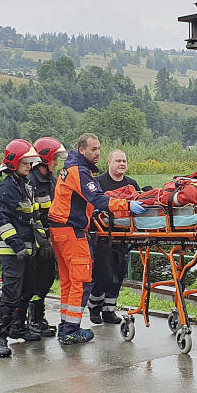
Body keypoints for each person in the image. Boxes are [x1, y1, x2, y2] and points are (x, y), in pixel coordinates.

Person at [48, 133, 145, 345]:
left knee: (69, 282)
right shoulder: (79, 172)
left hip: (61, 231)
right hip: (72, 231)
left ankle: (66, 327)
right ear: (81, 150)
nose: (98, 153)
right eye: (93, 149)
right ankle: (70, 330)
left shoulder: (72, 169)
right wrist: (126, 205)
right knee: (81, 281)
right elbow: (98, 199)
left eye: (99, 148)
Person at [0, 139, 43, 357]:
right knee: (10, 295)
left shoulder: (24, 185)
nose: (30, 167)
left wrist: (41, 242)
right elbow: (0, 220)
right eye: (25, 163)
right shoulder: (7, 188)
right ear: (13, 163)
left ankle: (17, 328)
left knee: (27, 291)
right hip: (11, 250)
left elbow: (32, 217)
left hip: (27, 248)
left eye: (31, 163)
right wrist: (17, 245)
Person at [89, 150, 140, 325]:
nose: (122, 164)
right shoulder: (98, 183)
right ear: (109, 162)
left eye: (124, 161)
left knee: (118, 275)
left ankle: (109, 311)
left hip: (123, 237)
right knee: (102, 275)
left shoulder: (131, 184)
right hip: (102, 237)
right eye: (118, 160)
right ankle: (94, 308)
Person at [26, 136, 67, 337]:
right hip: (36, 241)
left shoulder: (51, 180)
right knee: (35, 279)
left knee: (47, 278)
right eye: (54, 159)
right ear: (44, 158)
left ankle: (38, 317)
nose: (56, 163)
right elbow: (33, 216)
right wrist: (42, 241)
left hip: (49, 238)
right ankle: (33, 318)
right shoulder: (31, 181)